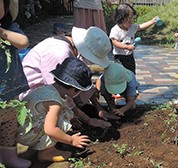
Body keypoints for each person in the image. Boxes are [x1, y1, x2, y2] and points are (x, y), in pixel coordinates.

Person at [20, 26, 119, 130]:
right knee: (59, 119)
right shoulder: (60, 53)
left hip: (48, 90)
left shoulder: (67, 45)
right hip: (33, 99)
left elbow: (79, 80)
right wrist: (87, 119)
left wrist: (98, 108)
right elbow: (60, 94)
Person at [16, 57, 92, 162]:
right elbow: (50, 129)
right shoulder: (55, 103)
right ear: (73, 89)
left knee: (63, 114)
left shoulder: (47, 88)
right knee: (60, 121)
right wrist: (71, 140)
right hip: (26, 134)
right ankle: (46, 153)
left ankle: (41, 144)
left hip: (22, 128)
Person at [0, 0, 32, 167]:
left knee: (10, 127)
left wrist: (2, 32)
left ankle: (9, 157)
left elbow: (23, 43)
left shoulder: (10, 28)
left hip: (10, 92)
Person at [110, 3, 158, 75]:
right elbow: (115, 42)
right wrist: (126, 47)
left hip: (129, 56)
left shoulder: (132, 27)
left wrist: (152, 21)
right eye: (129, 20)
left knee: (131, 72)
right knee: (120, 73)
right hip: (119, 57)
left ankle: (132, 84)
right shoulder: (115, 30)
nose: (131, 22)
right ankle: (122, 85)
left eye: (133, 19)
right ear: (121, 19)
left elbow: (141, 26)